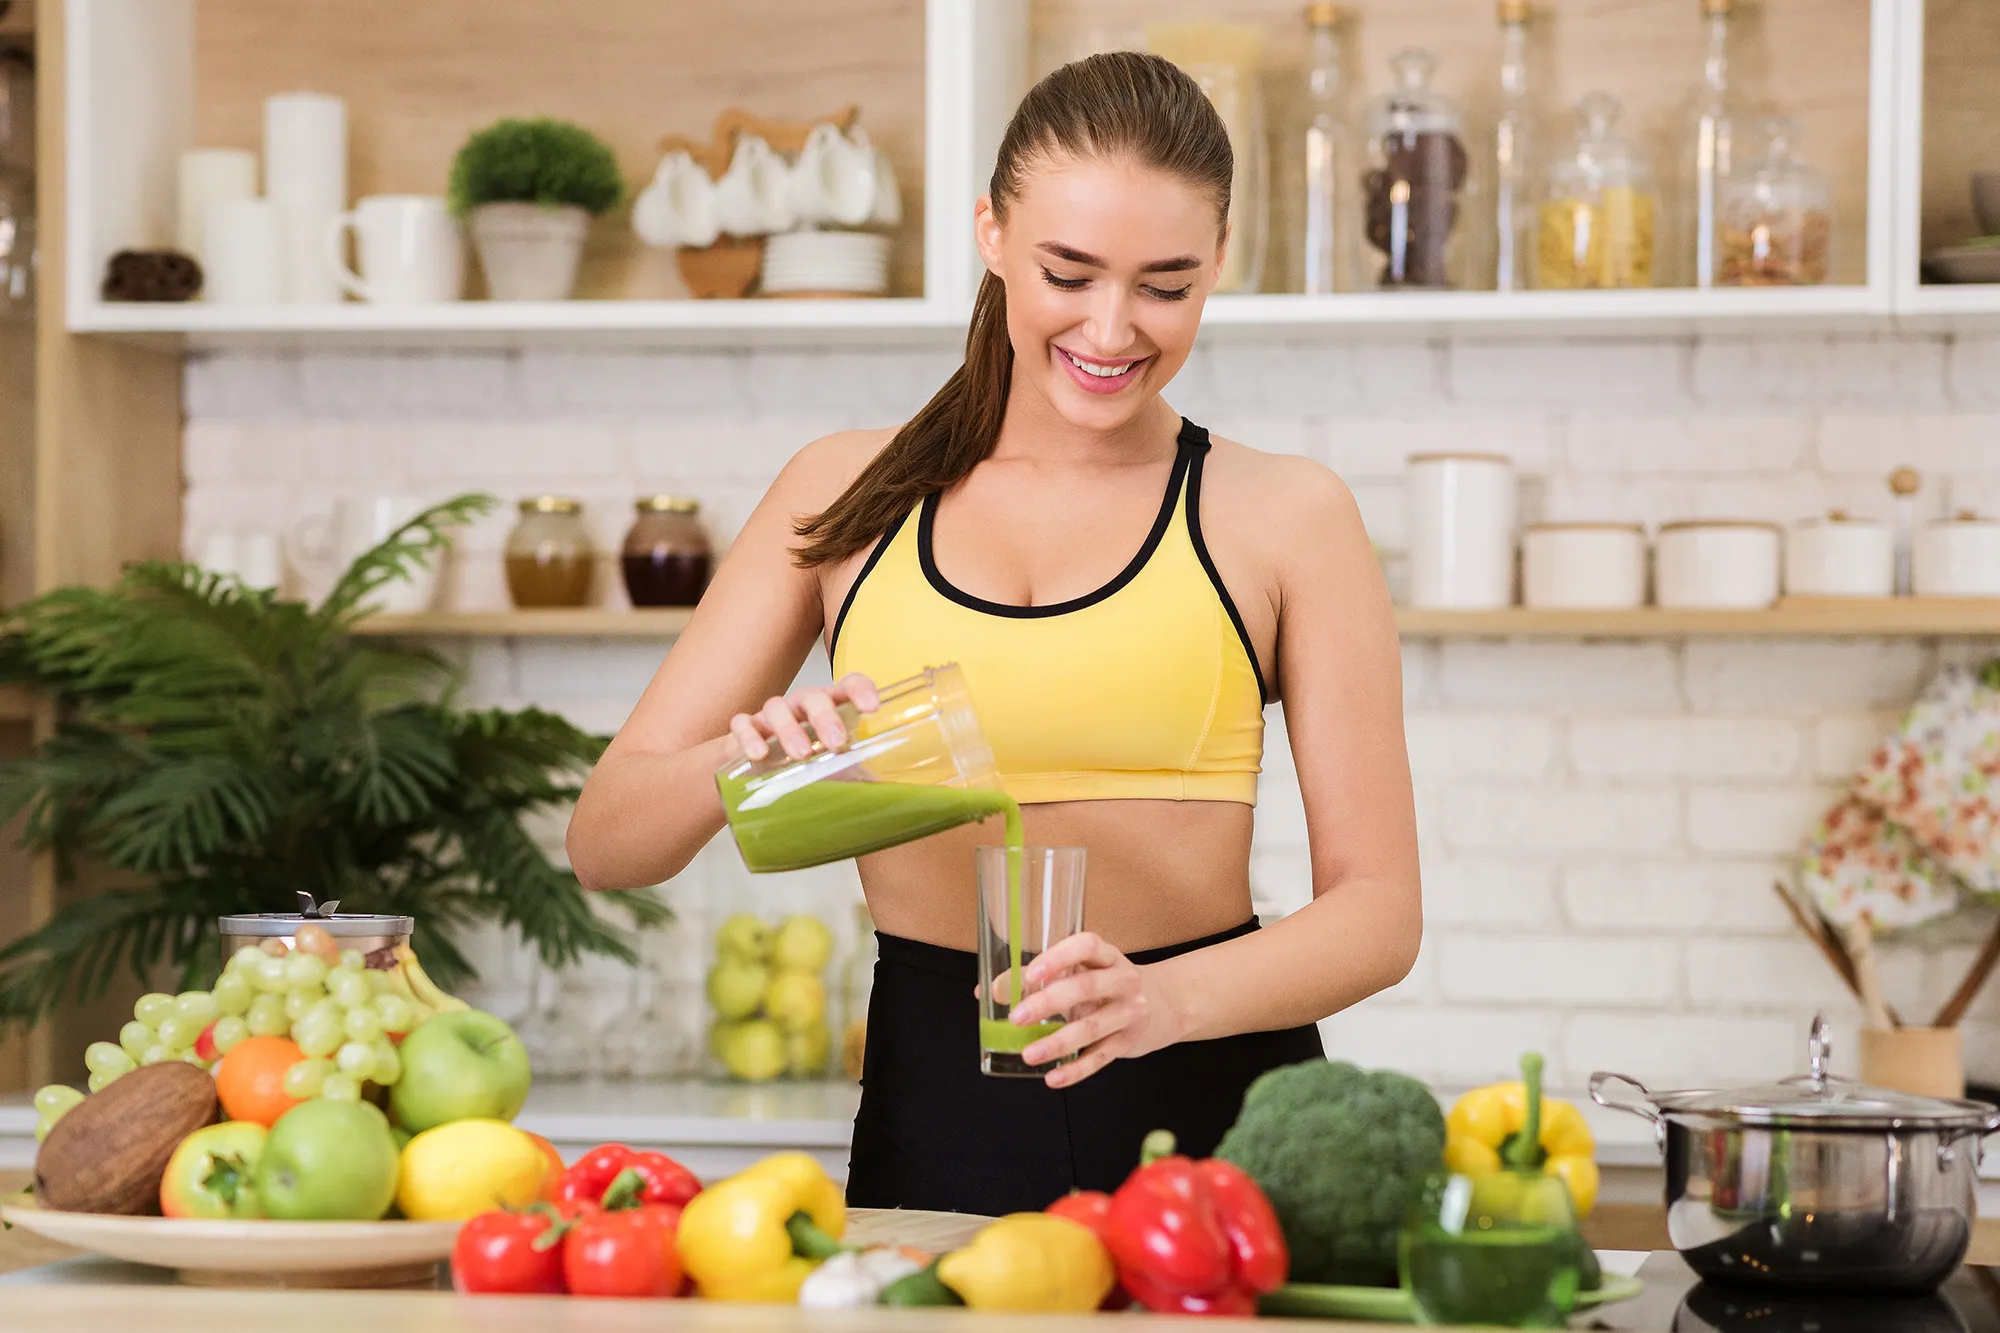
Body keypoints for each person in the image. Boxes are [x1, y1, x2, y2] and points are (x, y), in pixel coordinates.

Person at [568, 51, 1421, 1216]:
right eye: (1066, 272)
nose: (1111, 328)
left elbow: (1377, 910)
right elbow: (607, 843)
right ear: (989, 232)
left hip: (1208, 1101)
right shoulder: (844, 495)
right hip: (933, 1101)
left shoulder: (1284, 514)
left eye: (1165, 286)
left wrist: (1162, 1005)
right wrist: (747, 761)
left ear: (1218, 262)